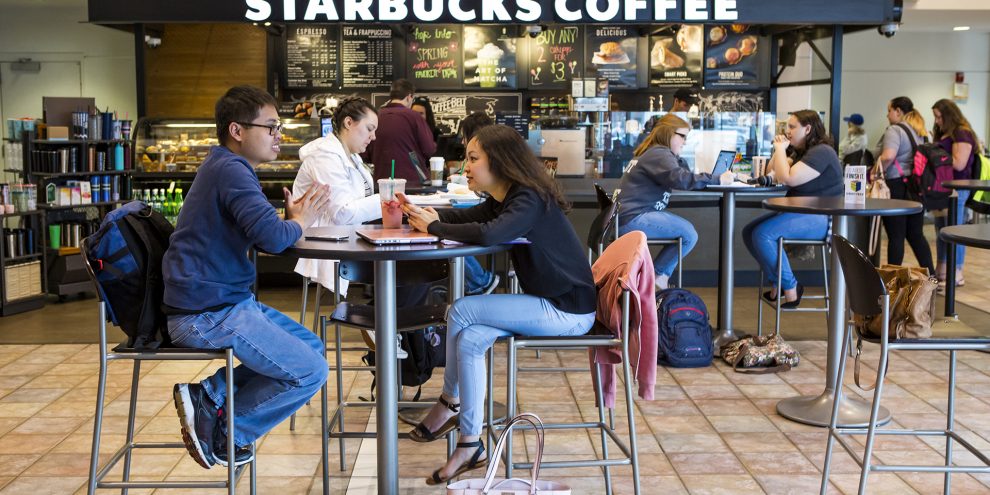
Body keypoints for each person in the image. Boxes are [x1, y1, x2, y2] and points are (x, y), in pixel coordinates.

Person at [400, 125, 596, 485]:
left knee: (462, 309)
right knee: (472, 338)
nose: (466, 167)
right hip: (548, 301)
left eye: (474, 159)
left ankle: (448, 402)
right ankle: (470, 442)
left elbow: (491, 233)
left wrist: (434, 228)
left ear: (501, 162)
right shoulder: (509, 197)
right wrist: (425, 215)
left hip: (567, 310)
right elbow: (474, 217)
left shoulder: (528, 198)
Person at [165, 86, 331, 469]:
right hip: (205, 312)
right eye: (271, 127)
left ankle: (212, 393)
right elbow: (273, 240)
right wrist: (297, 222)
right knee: (310, 372)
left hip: (220, 302)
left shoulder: (227, 167)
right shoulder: (231, 171)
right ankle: (227, 433)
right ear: (237, 131)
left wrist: (288, 221)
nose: (279, 135)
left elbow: (265, 229)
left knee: (313, 349)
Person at [743, 110, 843, 308]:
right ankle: (779, 282)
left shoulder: (822, 152)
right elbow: (773, 172)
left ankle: (791, 287)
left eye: (791, 126)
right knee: (749, 233)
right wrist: (779, 150)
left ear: (807, 129)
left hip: (822, 218)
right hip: (803, 213)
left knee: (763, 234)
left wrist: (781, 149)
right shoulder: (802, 152)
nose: (787, 131)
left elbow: (788, 178)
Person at [292, 96, 380, 296]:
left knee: (401, 259)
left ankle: (383, 319)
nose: (373, 137)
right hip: (324, 241)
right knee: (403, 263)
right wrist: (384, 199)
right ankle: (384, 320)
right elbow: (342, 213)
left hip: (348, 236)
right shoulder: (325, 156)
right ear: (348, 122)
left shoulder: (353, 156)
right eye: (369, 128)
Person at [616, 113, 714, 291]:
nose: (685, 142)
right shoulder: (659, 153)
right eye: (682, 136)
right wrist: (717, 179)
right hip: (633, 218)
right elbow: (680, 179)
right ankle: (658, 276)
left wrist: (679, 156)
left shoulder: (653, 151)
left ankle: (654, 277)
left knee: (686, 233)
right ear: (668, 133)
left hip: (624, 217)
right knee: (689, 234)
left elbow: (681, 173)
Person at [875, 97, 935, 274]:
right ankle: (931, 276)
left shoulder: (895, 130)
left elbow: (888, 156)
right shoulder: (921, 130)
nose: (887, 115)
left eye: (889, 110)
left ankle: (892, 279)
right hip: (917, 186)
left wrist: (876, 172)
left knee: (896, 235)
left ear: (898, 111)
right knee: (916, 234)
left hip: (896, 185)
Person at [932, 98, 978, 286]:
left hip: (957, 188)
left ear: (948, 115)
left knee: (954, 229)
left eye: (939, 117)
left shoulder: (962, 133)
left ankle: (956, 270)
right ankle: (943, 268)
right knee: (942, 230)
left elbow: (959, 163)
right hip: (943, 188)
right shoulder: (946, 134)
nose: (936, 121)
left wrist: (935, 155)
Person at [366, 79, 437, 183]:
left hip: (381, 182)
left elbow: (364, 153)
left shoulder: (376, 116)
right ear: (409, 97)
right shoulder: (414, 117)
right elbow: (429, 149)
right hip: (412, 181)